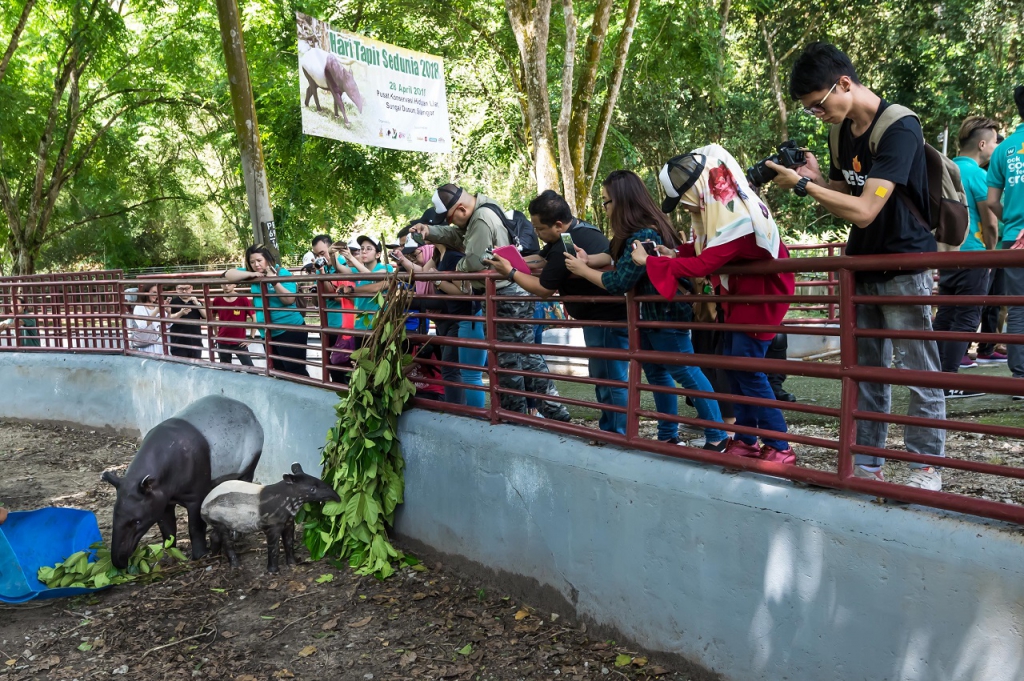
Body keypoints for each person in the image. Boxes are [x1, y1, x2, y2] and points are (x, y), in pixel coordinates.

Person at [768, 41, 945, 489]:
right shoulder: (839, 131)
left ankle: (926, 468)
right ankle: (867, 464)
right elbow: (846, 195)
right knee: (867, 372)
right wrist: (815, 178)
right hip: (863, 264)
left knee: (919, 371)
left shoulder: (899, 126)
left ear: (844, 83)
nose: (817, 115)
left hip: (906, 263)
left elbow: (866, 208)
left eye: (817, 105)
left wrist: (805, 189)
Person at [638, 146, 797, 463]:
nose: (687, 207)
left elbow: (703, 265)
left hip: (760, 301)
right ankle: (747, 438)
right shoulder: (726, 208)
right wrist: (674, 254)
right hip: (745, 298)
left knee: (749, 372)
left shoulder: (734, 220)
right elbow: (706, 250)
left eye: (686, 198)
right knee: (737, 368)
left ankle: (780, 445)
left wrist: (650, 263)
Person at [564, 170, 730, 450]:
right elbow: (619, 259)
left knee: (687, 374)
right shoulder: (641, 230)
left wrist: (582, 270)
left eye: (606, 201)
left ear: (621, 201)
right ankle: (667, 434)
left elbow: (619, 281)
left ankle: (718, 435)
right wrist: (589, 259)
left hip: (664, 316)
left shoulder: (643, 234)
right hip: (652, 318)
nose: (605, 207)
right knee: (658, 376)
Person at [410, 184, 571, 421]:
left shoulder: (482, 219)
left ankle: (524, 414)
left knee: (513, 359)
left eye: (452, 219)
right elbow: (460, 237)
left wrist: (456, 267)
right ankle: (532, 412)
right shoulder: (481, 210)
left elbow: (476, 261)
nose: (452, 224)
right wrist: (431, 231)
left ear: (462, 209)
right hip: (507, 295)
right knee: (518, 357)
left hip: (505, 298)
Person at [488, 189, 633, 435]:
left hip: (607, 317)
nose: (536, 234)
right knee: (603, 376)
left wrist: (510, 273)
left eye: (539, 229)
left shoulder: (566, 244)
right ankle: (610, 429)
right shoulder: (576, 232)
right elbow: (540, 259)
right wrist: (509, 260)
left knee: (610, 378)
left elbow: (543, 289)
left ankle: (617, 433)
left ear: (557, 224)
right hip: (599, 317)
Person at [933, 116, 1002, 397]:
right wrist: (992, 254)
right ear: (983, 144)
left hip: (947, 255)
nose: (996, 148)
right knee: (966, 317)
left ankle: (933, 378)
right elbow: (991, 223)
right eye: (996, 142)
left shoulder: (944, 169)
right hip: (974, 255)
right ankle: (948, 382)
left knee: (946, 316)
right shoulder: (979, 176)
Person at [983, 85, 1024, 400]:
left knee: (1019, 310)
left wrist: (1012, 217)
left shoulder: (1004, 149)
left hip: (1013, 239)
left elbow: (992, 201)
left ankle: (1020, 379)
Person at [225, 245, 308, 377]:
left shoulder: (282, 273)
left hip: (290, 329)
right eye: (252, 262)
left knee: (295, 371)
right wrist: (252, 274)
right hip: (268, 332)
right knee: (277, 372)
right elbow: (228, 275)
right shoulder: (252, 275)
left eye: (259, 260)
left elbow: (289, 300)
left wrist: (273, 281)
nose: (256, 264)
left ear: (267, 259)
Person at [338, 235, 394, 341]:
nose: (364, 251)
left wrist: (351, 289)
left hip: (379, 325)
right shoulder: (357, 271)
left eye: (369, 249)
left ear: (378, 254)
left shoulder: (386, 268)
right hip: (360, 325)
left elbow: (372, 278)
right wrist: (332, 254)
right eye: (362, 248)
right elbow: (339, 267)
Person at [211, 282, 255, 367]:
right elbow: (213, 318)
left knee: (250, 368)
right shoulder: (217, 299)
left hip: (240, 342)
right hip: (222, 341)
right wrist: (216, 334)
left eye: (229, 284)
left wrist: (251, 338)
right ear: (221, 285)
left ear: (235, 285)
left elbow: (254, 317)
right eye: (224, 284)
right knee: (226, 369)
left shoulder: (243, 299)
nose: (226, 286)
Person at [166, 283, 206, 360]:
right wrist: (180, 313)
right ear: (176, 289)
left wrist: (197, 304)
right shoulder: (172, 302)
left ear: (191, 288)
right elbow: (167, 319)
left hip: (195, 341)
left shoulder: (197, 302)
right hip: (178, 342)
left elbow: (206, 316)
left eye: (187, 288)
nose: (184, 291)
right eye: (181, 289)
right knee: (181, 367)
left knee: (197, 367)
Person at [128, 282, 164, 355]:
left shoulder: (156, 306)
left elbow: (168, 323)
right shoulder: (139, 307)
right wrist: (157, 310)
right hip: (147, 344)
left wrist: (180, 312)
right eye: (154, 292)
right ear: (146, 292)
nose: (156, 295)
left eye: (157, 293)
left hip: (159, 342)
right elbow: (143, 325)